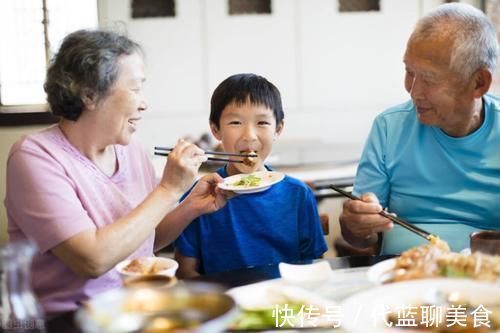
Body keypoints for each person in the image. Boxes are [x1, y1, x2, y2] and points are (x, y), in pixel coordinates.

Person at [4, 29, 229, 316]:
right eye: (135, 89)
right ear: (89, 94)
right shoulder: (34, 157)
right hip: (68, 319)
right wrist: (169, 190)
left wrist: (190, 207)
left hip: (135, 309)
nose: (144, 102)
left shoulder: (131, 148)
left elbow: (141, 237)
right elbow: (93, 260)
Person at [339, 3, 500, 255]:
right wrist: (356, 225)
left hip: (484, 278)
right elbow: (360, 239)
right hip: (399, 274)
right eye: (409, 72)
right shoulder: (389, 127)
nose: (413, 92)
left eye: (429, 79)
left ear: (479, 83)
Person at [174, 73, 328, 277]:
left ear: (278, 129)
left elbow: (313, 268)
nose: (249, 135)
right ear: (215, 129)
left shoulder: (298, 195)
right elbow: (186, 273)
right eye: (236, 123)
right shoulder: (199, 198)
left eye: (262, 123)